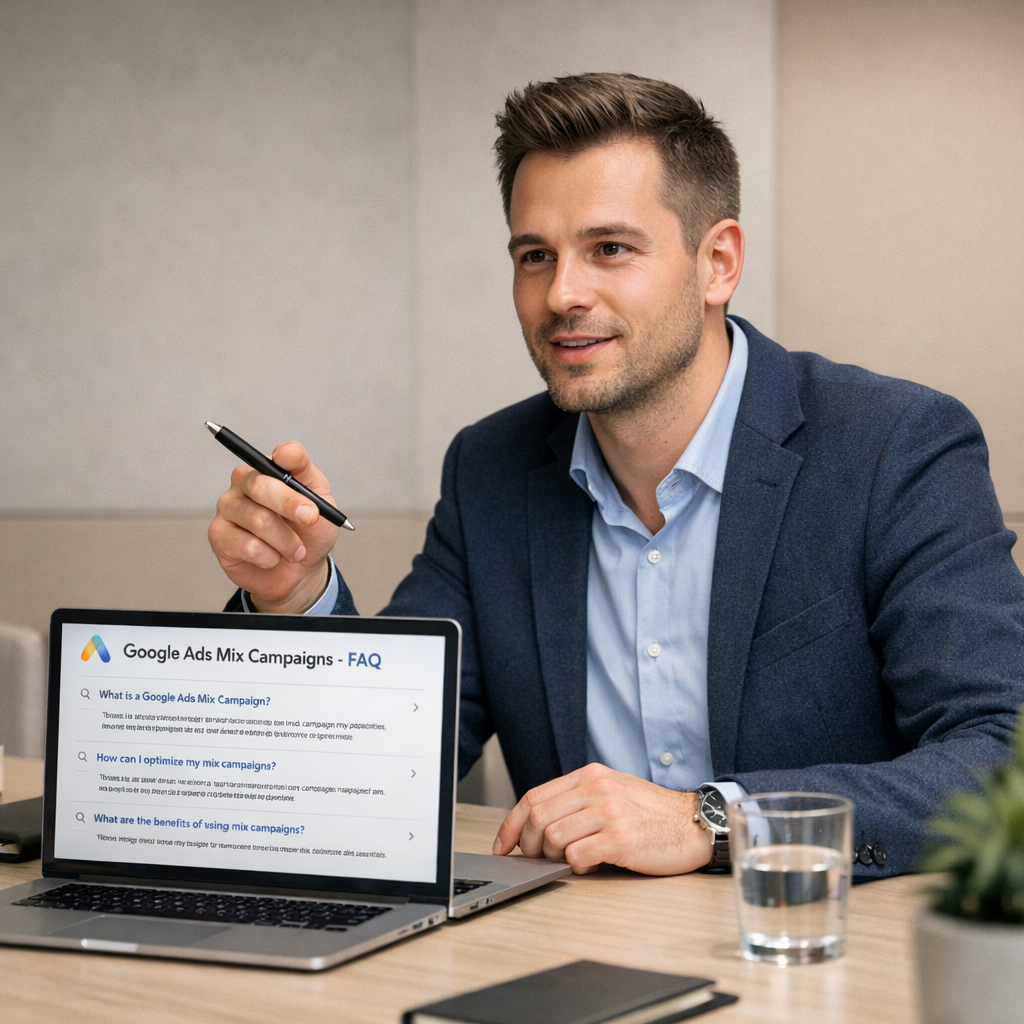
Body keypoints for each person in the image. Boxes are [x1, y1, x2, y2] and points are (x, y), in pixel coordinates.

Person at [208, 73, 1024, 880]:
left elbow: (1001, 757)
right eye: (536, 256)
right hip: (574, 970)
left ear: (718, 264)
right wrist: (294, 594)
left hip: (815, 959)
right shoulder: (490, 471)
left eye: (610, 249)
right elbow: (384, 761)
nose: (562, 293)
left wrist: (710, 818)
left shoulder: (893, 447)